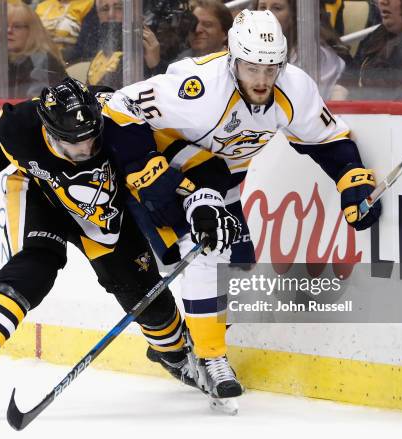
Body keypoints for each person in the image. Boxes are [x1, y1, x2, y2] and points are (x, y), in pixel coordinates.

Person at [101, 9, 382, 403]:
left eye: (271, 69)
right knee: (208, 249)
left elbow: (326, 139)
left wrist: (351, 177)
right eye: (252, 68)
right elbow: (118, 105)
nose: (263, 80)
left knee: (236, 259)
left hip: (222, 177)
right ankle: (211, 358)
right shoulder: (197, 88)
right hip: (173, 163)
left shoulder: (294, 88)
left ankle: (184, 344)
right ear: (233, 59)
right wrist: (145, 166)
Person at [0, 77, 195, 414]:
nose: (85, 150)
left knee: (146, 296)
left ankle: (176, 355)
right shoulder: (22, 126)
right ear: (50, 131)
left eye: (91, 140)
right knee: (33, 271)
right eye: (74, 143)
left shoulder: (115, 116)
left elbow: (160, 150)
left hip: (103, 214)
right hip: (40, 197)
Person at [253, 0, 352, 99]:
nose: (266, 15)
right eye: (262, 7)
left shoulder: (314, 54)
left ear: (294, 14)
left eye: (277, 8)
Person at [0, 1, 67, 99]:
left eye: (17, 26)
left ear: (32, 31)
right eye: (4, 25)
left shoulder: (42, 61)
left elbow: (36, 105)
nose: (9, 30)